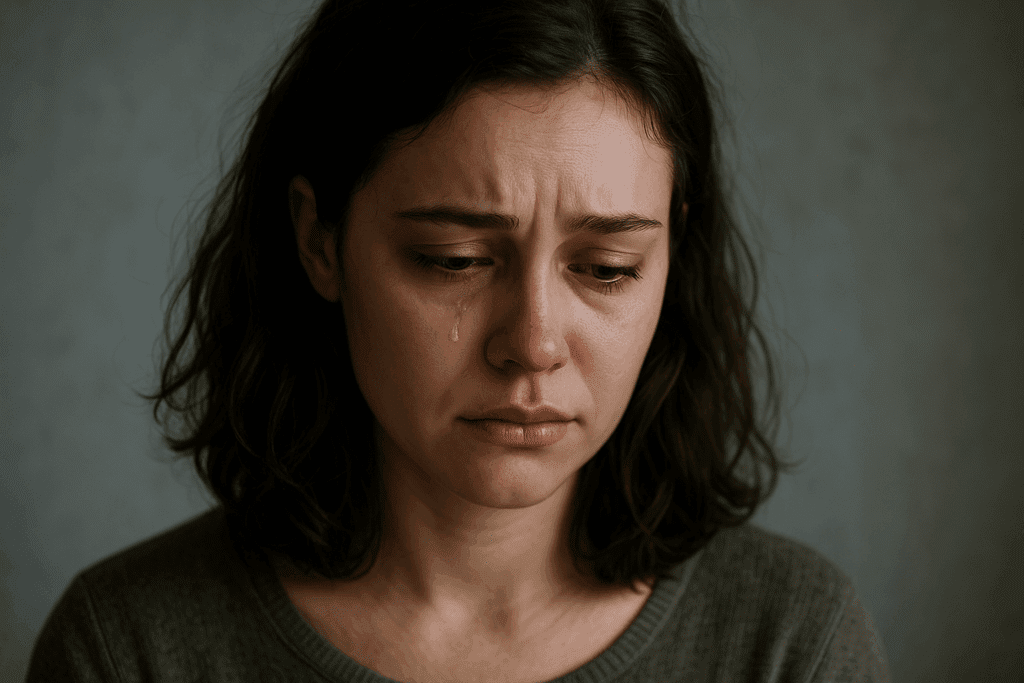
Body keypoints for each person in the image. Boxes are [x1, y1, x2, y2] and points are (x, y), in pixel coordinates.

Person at [26, 0, 892, 681]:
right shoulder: (127, 648)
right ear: (319, 239)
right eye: (456, 259)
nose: (534, 344)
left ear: (674, 248)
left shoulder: (793, 643)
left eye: (608, 267)